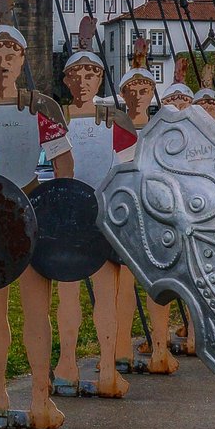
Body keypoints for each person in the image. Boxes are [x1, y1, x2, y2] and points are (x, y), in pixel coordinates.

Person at [0, 22, 73, 429]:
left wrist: (60, 208)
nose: (4, 63)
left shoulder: (39, 106)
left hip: (30, 210)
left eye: (12, 56)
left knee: (35, 311)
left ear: (23, 60)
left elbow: (62, 162)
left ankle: (41, 399)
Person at [54, 46, 137, 398]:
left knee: (106, 295)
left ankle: (107, 366)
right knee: (68, 294)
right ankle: (66, 366)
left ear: (100, 78)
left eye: (91, 74)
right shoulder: (58, 117)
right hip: (70, 213)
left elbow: (128, 170)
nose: (83, 81)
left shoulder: (114, 118)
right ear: (66, 80)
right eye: (77, 75)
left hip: (104, 214)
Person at [115, 61, 178, 375]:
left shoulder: (161, 128)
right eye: (132, 90)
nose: (138, 96)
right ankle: (121, 349)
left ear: (153, 92)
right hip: (128, 216)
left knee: (158, 287)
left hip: (156, 216)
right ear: (123, 94)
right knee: (124, 287)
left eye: (144, 90)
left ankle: (159, 348)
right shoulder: (119, 128)